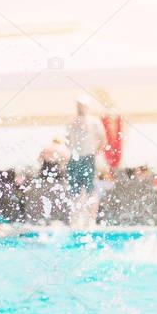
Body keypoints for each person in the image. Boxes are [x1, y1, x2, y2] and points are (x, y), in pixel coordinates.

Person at [66, 97, 106, 227]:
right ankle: (75, 218)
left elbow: (103, 139)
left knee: (90, 189)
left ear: (87, 107)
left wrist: (95, 152)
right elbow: (68, 140)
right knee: (74, 190)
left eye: (82, 105)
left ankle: (91, 219)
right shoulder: (71, 121)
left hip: (88, 157)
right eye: (78, 105)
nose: (80, 108)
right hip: (75, 157)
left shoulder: (94, 122)